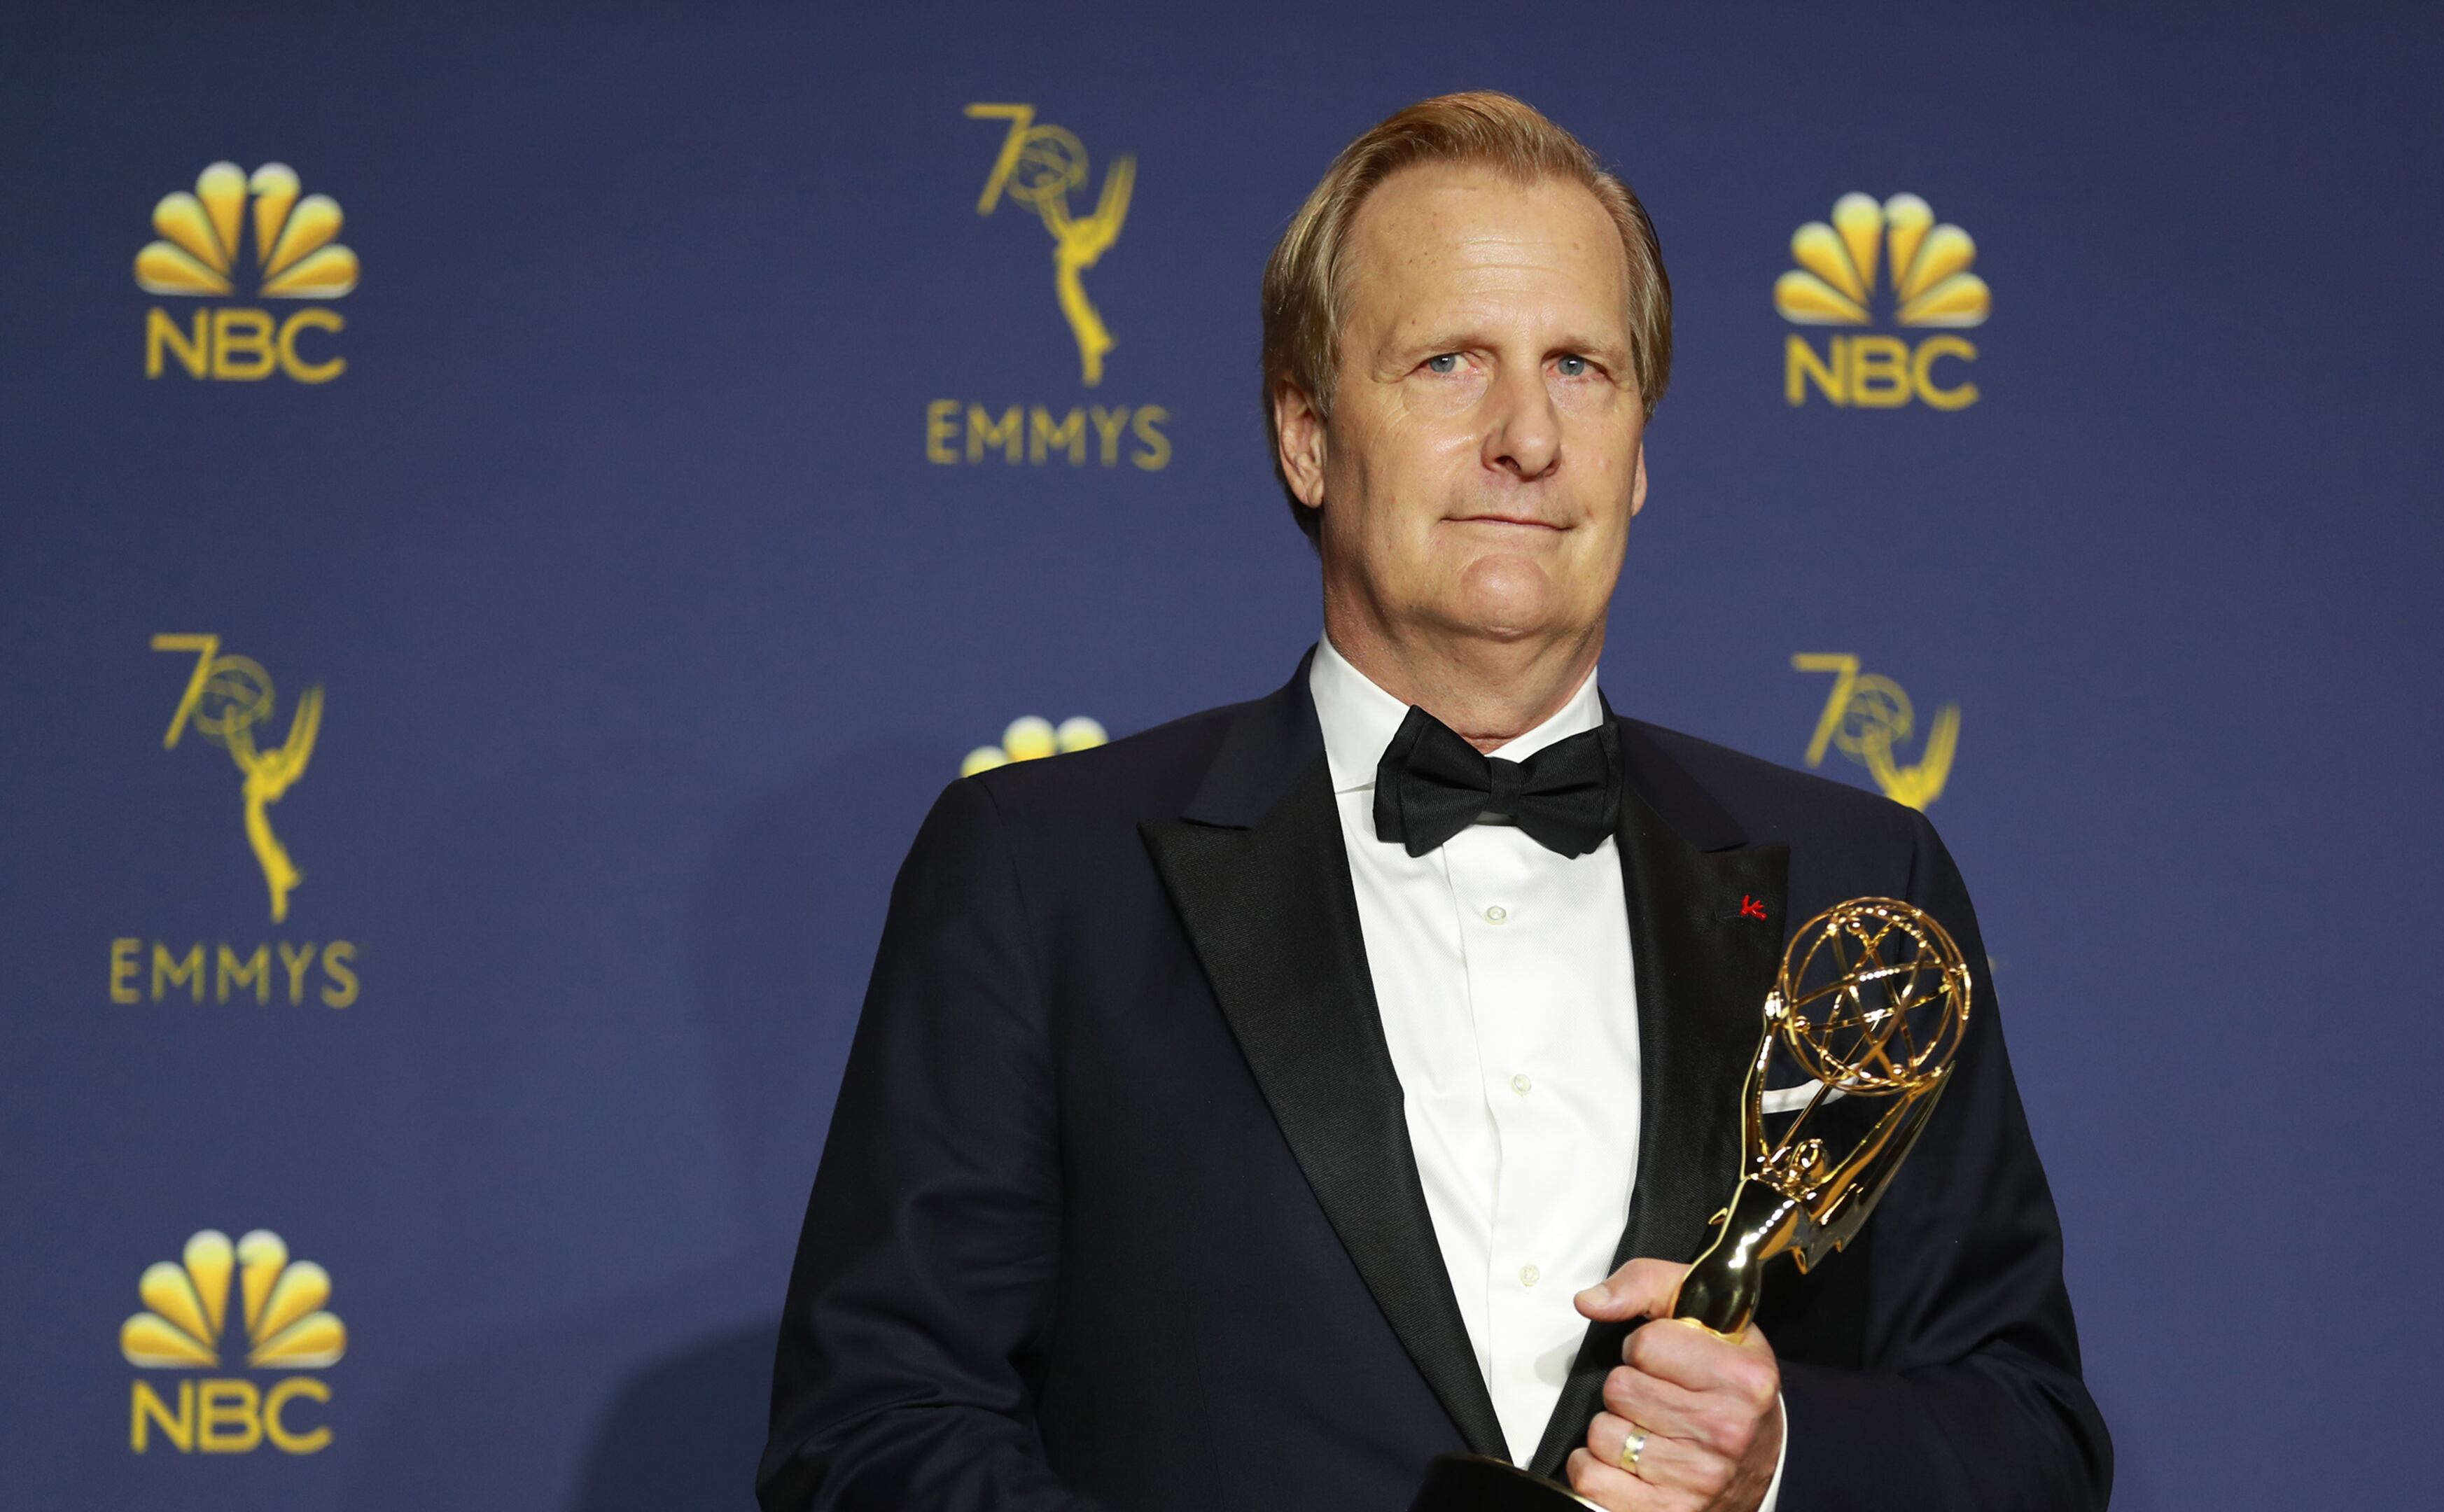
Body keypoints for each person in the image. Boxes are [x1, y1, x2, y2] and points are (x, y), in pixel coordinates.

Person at [760, 91, 2109, 1512]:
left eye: (1582, 366)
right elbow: (874, 1439)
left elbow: (2028, 1438)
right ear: (1305, 434)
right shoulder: (1044, 876)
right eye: (1452, 361)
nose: (1527, 434)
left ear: (1639, 448)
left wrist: (1780, 1467)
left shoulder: (1858, 876)